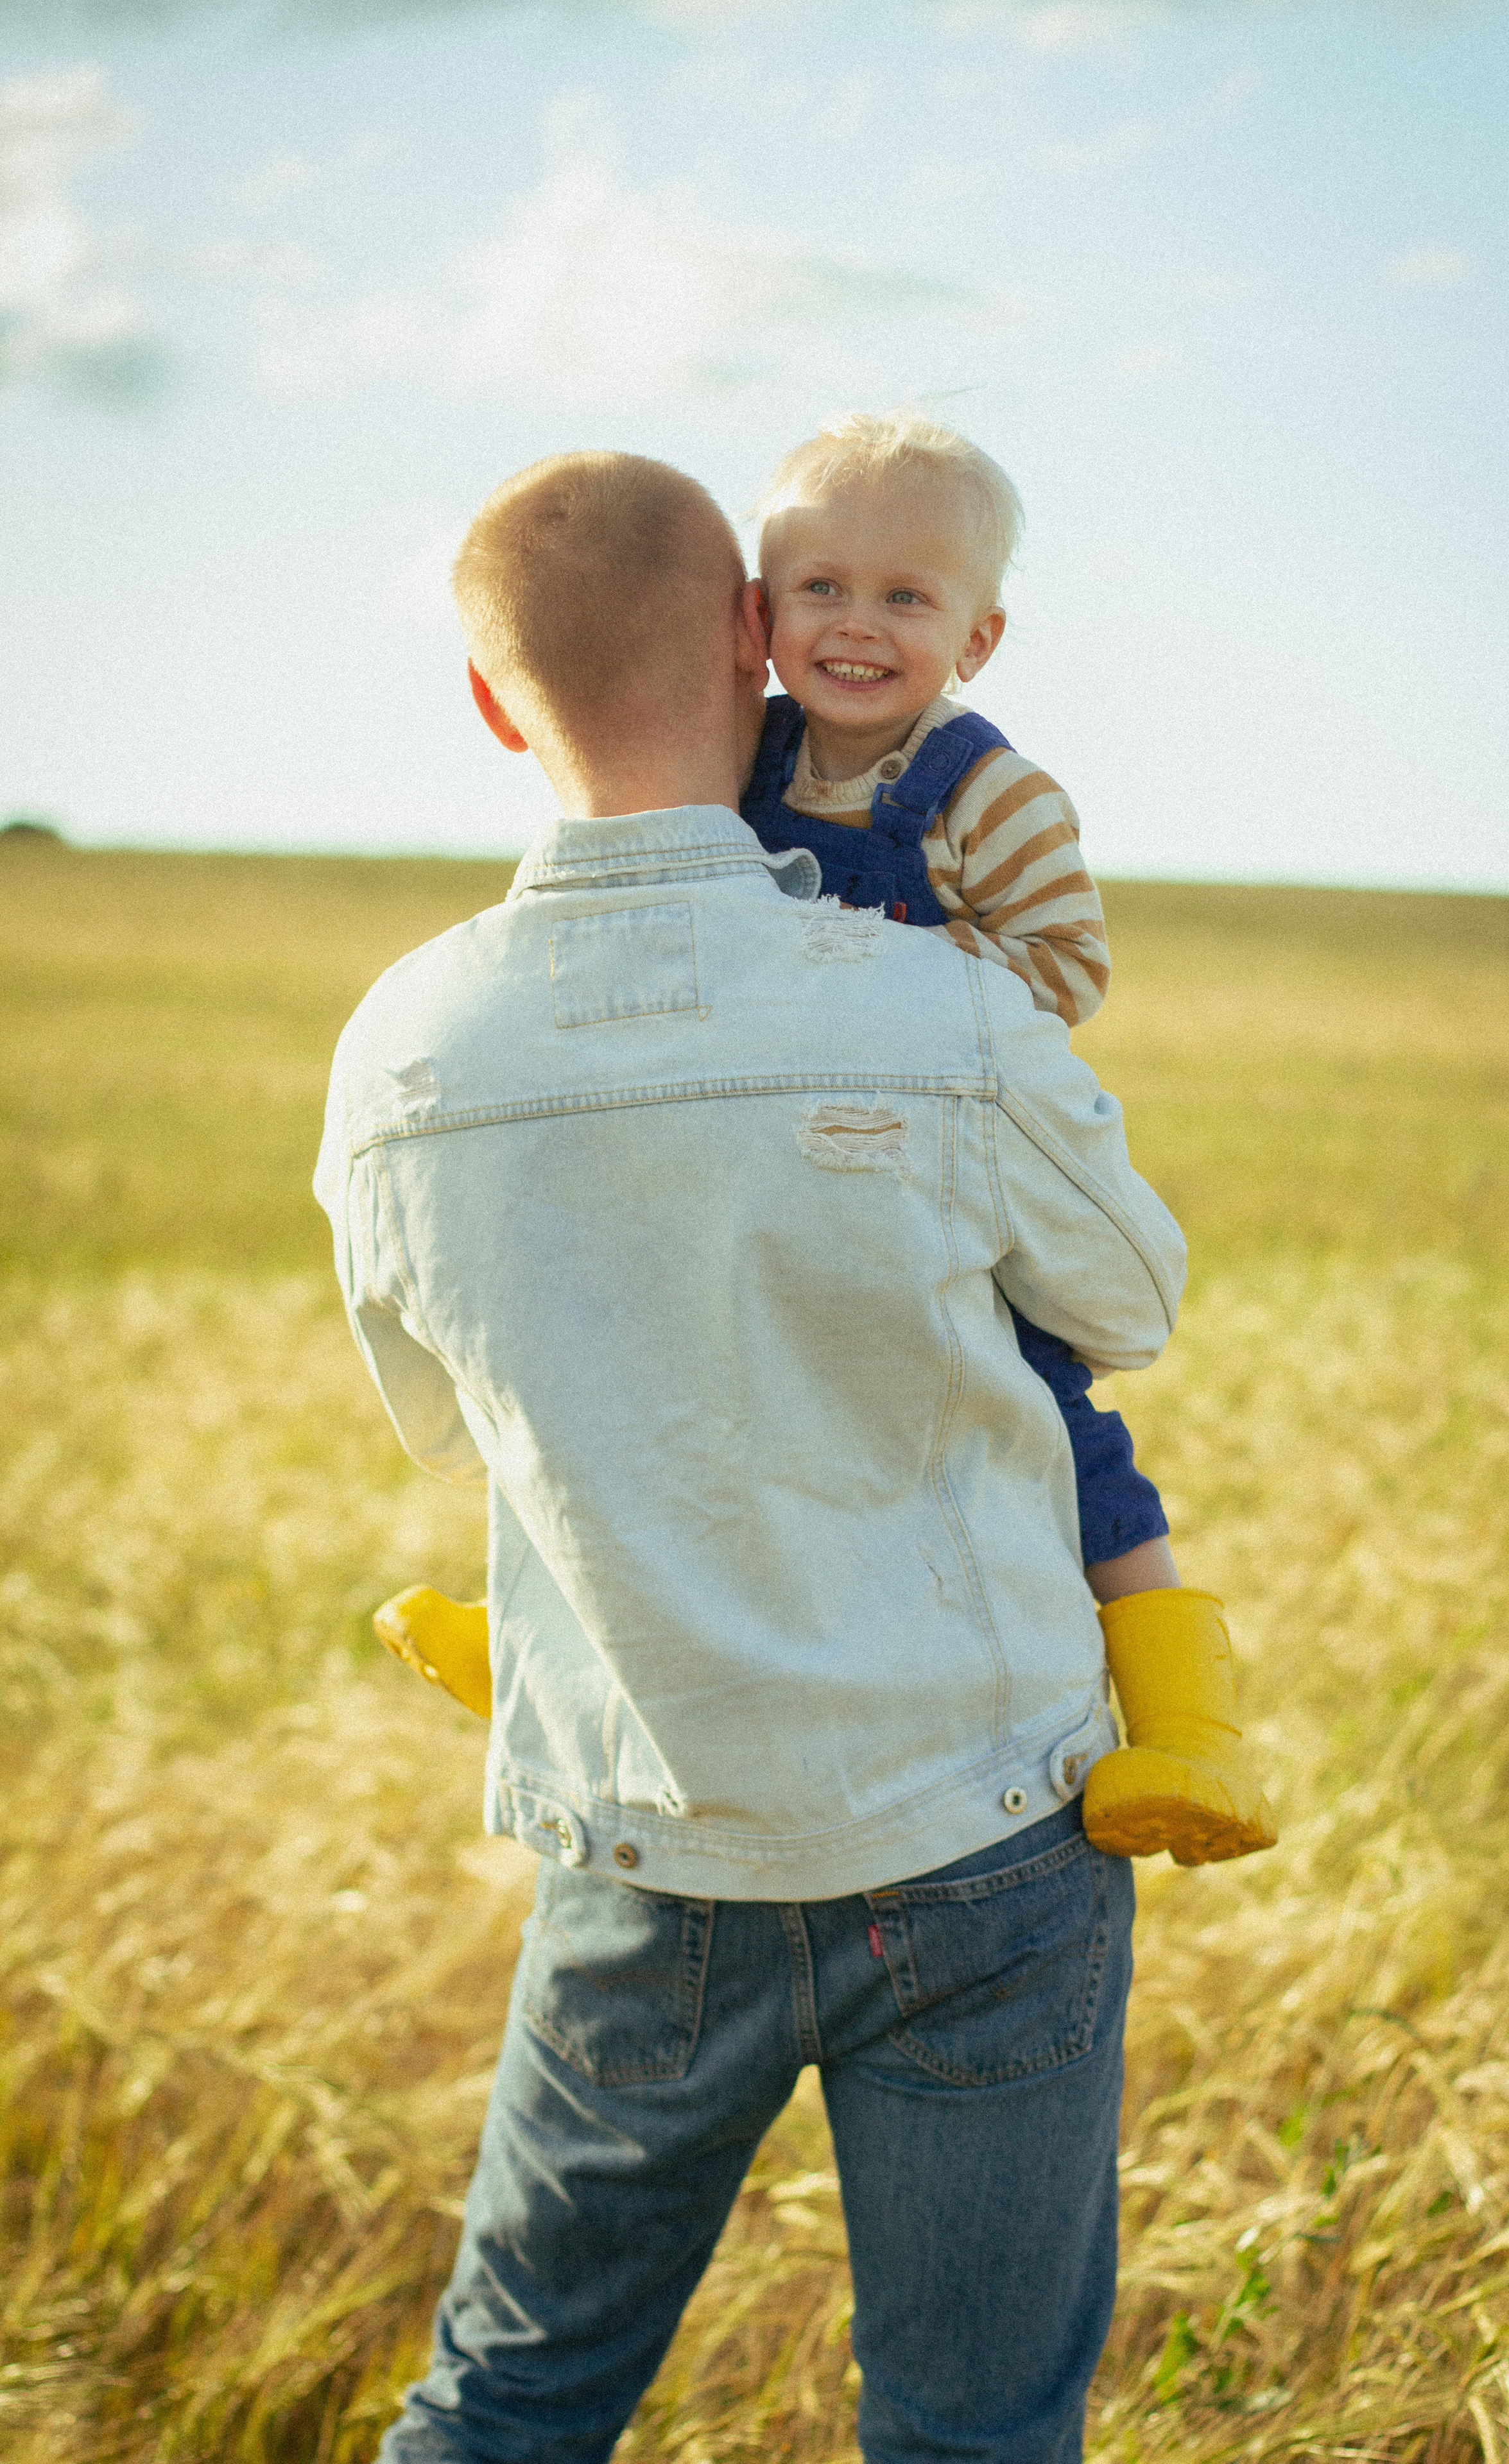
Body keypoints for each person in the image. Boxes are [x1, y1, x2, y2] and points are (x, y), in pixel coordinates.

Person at [316, 447, 1191, 2461]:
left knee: (513, 2397)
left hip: (642, 1830)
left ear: (485, 700)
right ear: (754, 638)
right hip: (987, 1825)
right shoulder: (938, 1003)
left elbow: (445, 1428)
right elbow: (1128, 1302)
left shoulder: (400, 1047)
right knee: (974, 2436)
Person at [380, 413, 1276, 1871]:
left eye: (906, 600)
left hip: (902, 1144)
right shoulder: (748, 761)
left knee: (1064, 1420)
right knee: (622, 1364)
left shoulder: (990, 795)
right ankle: (557, 1657)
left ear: (977, 638)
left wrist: (890, 1019)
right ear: (756, 620)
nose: (857, 627)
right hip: (760, 1150)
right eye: (821, 591)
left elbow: (1062, 967)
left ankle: (1188, 1733)